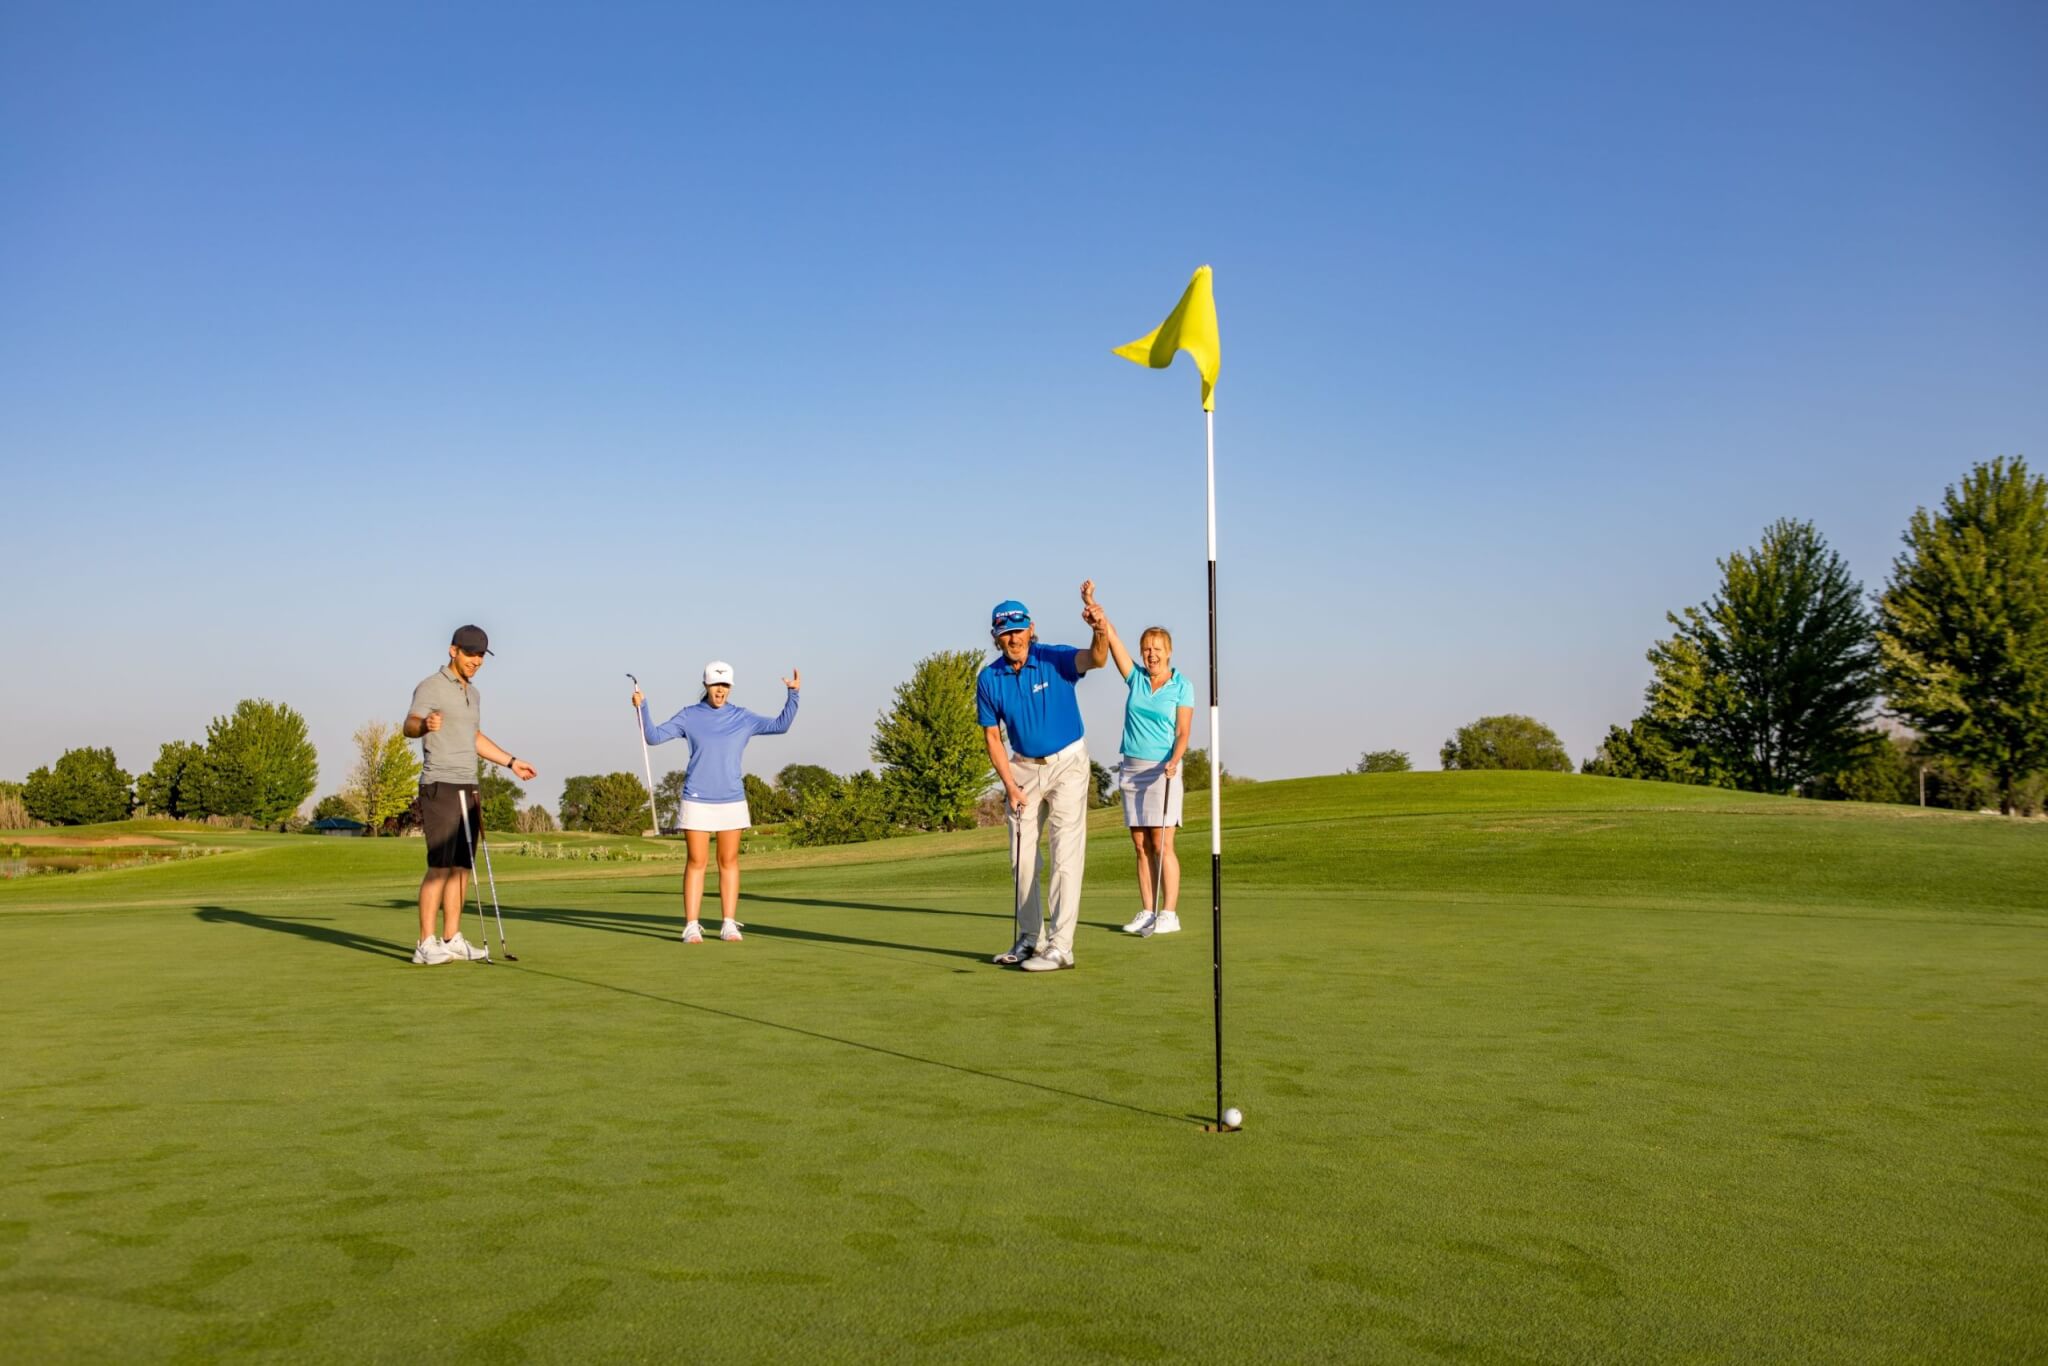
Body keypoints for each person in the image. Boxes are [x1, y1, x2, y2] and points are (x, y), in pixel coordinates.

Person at [976, 584, 1111, 971]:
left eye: (1019, 630)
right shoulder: (990, 679)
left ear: (1031, 629)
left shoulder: (1054, 658)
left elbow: (1097, 659)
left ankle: (1061, 946)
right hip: (1022, 767)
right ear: (996, 638)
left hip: (1068, 763)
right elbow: (991, 735)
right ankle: (1029, 938)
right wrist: (1010, 785)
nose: (1014, 638)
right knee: (1022, 858)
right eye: (1006, 633)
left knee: (1065, 852)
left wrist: (1098, 629)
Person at [634, 661, 800, 943]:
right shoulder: (689, 716)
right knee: (696, 861)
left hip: (732, 799)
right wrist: (643, 706)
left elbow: (780, 725)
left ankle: (728, 923)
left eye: (724, 686)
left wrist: (793, 694)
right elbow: (653, 737)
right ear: (706, 686)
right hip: (696, 798)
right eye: (714, 685)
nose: (719, 691)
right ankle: (691, 925)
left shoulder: (743, 717)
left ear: (730, 687)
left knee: (729, 861)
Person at [403, 625, 538, 966]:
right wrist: (425, 725)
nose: (476, 660)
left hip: (469, 784)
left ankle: (451, 938)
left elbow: (473, 737)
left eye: (480, 655)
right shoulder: (431, 686)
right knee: (439, 866)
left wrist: (511, 762)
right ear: (453, 651)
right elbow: (409, 725)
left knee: (463, 868)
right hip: (440, 785)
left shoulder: (473, 694)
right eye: (470, 653)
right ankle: (424, 944)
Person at [1095, 607, 1195, 934]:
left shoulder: (1182, 686)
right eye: (1146, 649)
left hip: (1163, 769)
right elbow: (1114, 641)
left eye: (1157, 649)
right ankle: (1147, 910)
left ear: (1169, 652)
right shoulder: (1135, 678)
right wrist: (1096, 609)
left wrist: (1175, 759)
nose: (1151, 654)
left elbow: (1183, 732)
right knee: (1139, 844)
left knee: (1161, 843)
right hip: (1132, 768)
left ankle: (1169, 913)